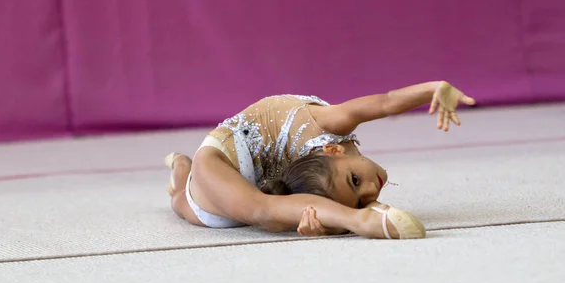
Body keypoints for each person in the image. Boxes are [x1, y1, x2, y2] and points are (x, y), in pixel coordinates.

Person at [165, 81, 475, 239]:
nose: (371, 189)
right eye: (355, 183)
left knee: (217, 209)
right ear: (334, 150)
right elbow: (385, 102)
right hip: (223, 158)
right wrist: (432, 89)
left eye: (358, 201)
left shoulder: (319, 175)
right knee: (186, 201)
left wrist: (319, 223)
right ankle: (183, 167)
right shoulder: (328, 123)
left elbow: (291, 209)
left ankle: (181, 173)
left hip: (263, 191)